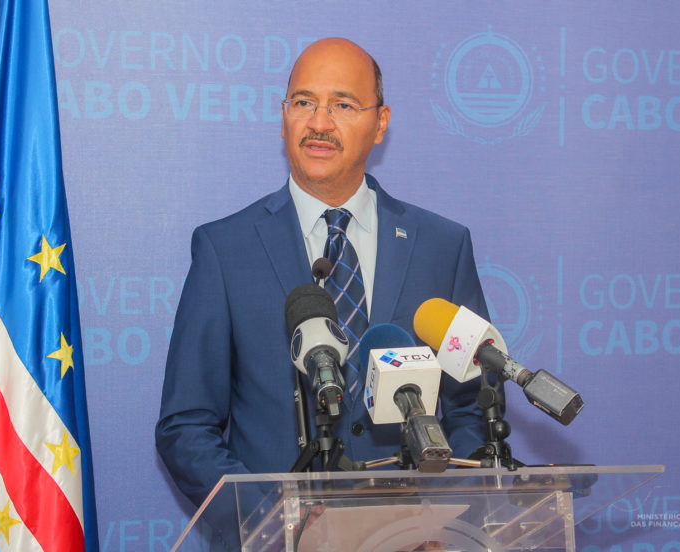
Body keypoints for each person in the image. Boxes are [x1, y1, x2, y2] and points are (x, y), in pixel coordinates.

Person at [155, 37, 491, 515]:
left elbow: (471, 409)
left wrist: (440, 517)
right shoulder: (225, 249)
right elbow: (186, 427)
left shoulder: (441, 246)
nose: (318, 123)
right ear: (283, 116)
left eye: (343, 105)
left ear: (381, 123)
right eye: (303, 102)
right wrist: (274, 522)